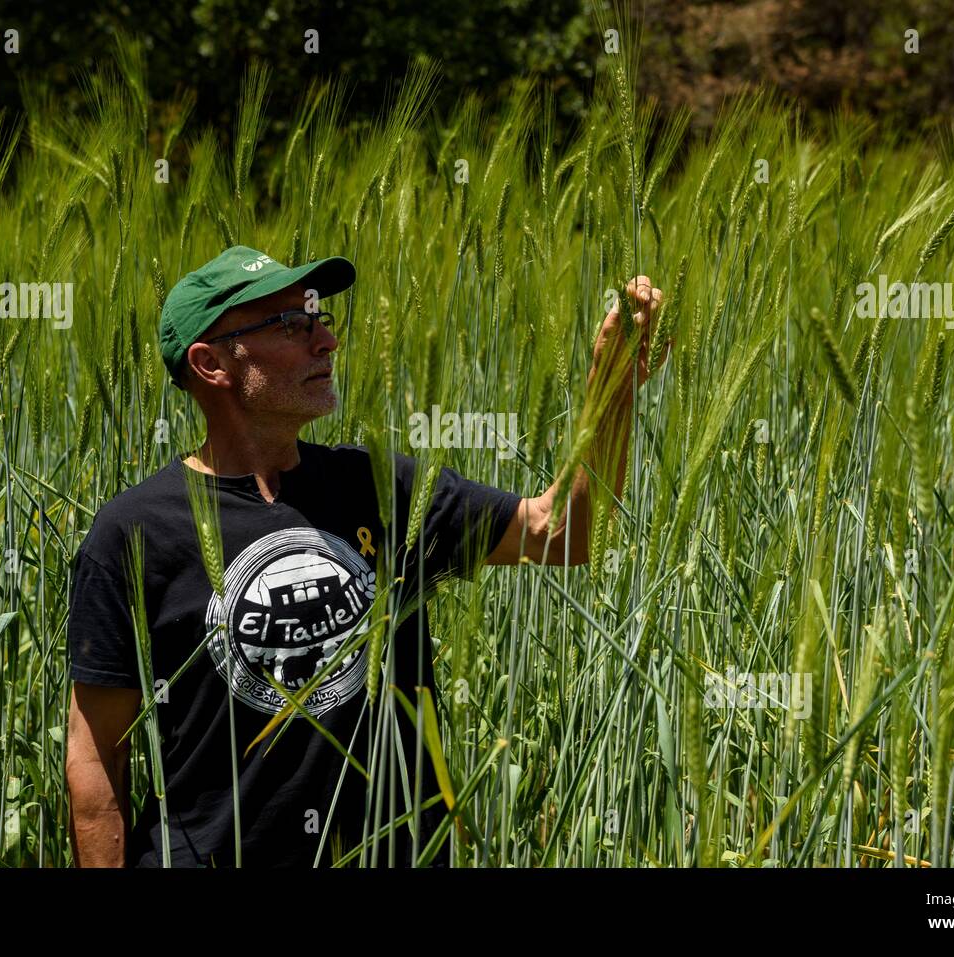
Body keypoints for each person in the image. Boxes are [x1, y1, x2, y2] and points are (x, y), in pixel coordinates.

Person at [65, 244, 666, 867]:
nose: (325, 340)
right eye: (292, 325)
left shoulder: (381, 487)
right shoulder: (134, 533)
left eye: (320, 318)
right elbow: (95, 755)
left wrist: (610, 391)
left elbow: (560, 534)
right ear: (211, 362)